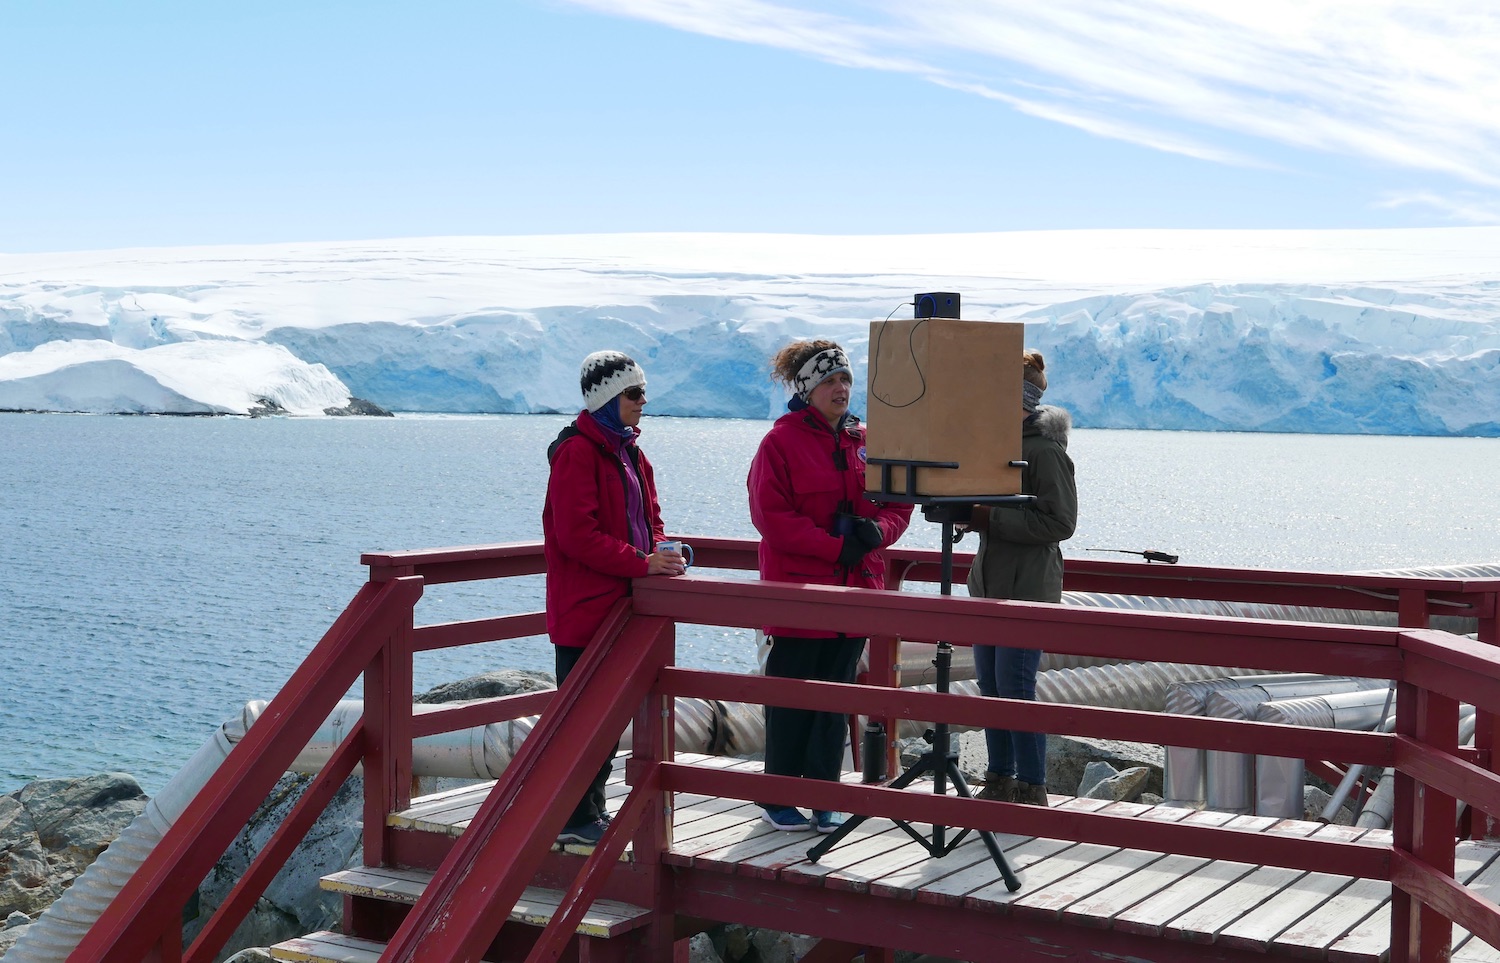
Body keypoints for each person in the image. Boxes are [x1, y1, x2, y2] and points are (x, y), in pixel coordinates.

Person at [746, 339, 913, 833]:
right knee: (792, 695)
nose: (840, 388)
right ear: (807, 389)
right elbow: (771, 518)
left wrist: (876, 533)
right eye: (828, 381)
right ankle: (778, 796)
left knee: (836, 697)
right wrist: (834, 547)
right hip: (800, 596)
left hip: (857, 592)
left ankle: (822, 795)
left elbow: (898, 504)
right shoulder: (779, 444)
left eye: (844, 380)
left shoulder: (867, 439)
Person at [543, 350, 687, 845]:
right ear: (607, 398)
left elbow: (649, 519)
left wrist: (664, 550)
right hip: (587, 613)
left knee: (605, 722)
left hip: (621, 608)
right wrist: (642, 563)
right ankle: (572, 819)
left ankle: (586, 815)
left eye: (643, 392)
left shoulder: (630, 453)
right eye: (634, 393)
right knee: (583, 723)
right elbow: (575, 536)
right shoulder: (577, 454)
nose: (643, 401)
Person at [966, 349, 1078, 807]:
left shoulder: (1045, 452)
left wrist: (987, 518)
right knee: (992, 686)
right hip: (991, 585)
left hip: (1027, 587)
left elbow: (1060, 524)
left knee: (1014, 686)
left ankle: (1032, 785)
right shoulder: (1000, 445)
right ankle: (1000, 777)